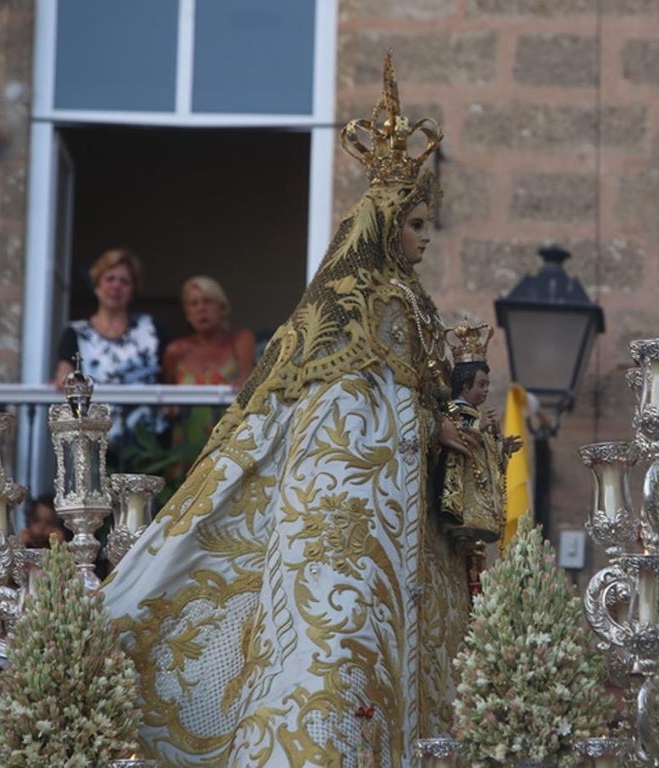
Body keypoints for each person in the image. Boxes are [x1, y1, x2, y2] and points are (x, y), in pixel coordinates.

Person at [103, 55, 474, 766]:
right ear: (387, 224)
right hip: (346, 514)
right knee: (332, 646)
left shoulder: (407, 304)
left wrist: (447, 421)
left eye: (429, 224)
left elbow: (404, 399)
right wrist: (436, 426)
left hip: (394, 517)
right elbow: (347, 413)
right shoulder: (359, 302)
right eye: (418, 223)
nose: (427, 238)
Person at [53, 248, 167, 466]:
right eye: (110, 279)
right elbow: (65, 374)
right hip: (94, 442)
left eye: (124, 281)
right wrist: (65, 379)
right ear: (97, 285)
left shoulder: (151, 329)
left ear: (132, 290)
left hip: (149, 445)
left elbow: (171, 375)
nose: (116, 286)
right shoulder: (76, 333)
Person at [437, 322, 521, 543]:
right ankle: (462, 522)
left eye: (487, 385)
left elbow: (487, 450)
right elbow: (456, 434)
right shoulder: (454, 410)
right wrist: (479, 426)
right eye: (481, 384)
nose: (486, 390)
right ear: (465, 386)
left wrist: (503, 447)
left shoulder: (477, 413)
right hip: (463, 481)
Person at [162, 276, 257, 473]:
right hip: (187, 448)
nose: (201, 308)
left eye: (207, 301)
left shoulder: (240, 341)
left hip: (229, 446)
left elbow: (247, 380)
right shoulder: (177, 350)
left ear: (222, 307)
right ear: (187, 313)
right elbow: (167, 397)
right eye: (193, 303)